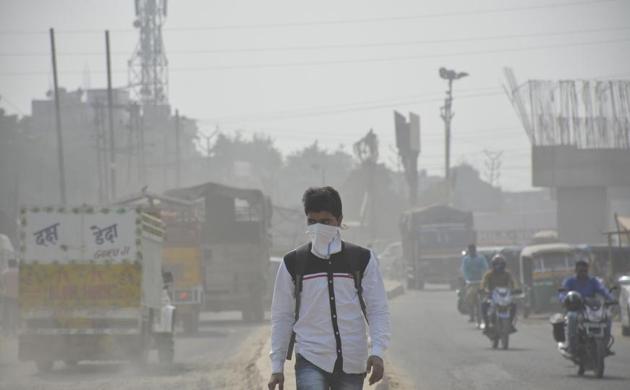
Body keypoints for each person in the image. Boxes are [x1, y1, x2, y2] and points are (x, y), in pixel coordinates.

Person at [268, 186, 391, 390]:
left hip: (352, 360)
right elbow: (282, 316)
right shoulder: (293, 263)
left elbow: (377, 309)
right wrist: (276, 367)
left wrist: (377, 352)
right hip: (310, 358)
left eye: (325, 222)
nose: (318, 228)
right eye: (312, 221)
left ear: (339, 220)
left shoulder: (362, 259)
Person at [558, 259, 615, 356]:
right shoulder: (569, 281)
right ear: (576, 271)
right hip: (575, 308)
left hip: (590, 309)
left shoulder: (593, 281)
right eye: (580, 271)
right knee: (572, 317)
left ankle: (604, 346)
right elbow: (563, 293)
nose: (583, 273)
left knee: (607, 316)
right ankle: (572, 347)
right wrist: (564, 299)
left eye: (585, 271)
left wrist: (611, 298)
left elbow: (602, 290)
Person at [480, 255, 518, 333]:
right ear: (493, 265)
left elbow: (513, 282)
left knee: (513, 305)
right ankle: (487, 325)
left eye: (501, 264)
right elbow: (483, 283)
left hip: (504, 295)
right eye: (497, 264)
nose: (499, 266)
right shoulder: (489, 274)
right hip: (491, 295)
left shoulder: (507, 274)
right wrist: (483, 289)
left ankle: (510, 324)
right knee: (484, 305)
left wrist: (516, 289)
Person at [460, 244, 488, 322]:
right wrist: (465, 279)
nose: (472, 252)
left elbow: (485, 267)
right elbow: (464, 270)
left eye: (473, 250)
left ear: (475, 250)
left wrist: (484, 277)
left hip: (480, 282)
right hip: (470, 282)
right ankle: (471, 316)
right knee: (469, 297)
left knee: (486, 298)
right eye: (470, 250)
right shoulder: (466, 260)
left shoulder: (481, 258)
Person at [1, 258, 19, 335]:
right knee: (16, 312)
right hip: (18, 295)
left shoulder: (4, 273)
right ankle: (14, 328)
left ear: (8, 264)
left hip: (7, 295)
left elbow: (2, 285)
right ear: (16, 264)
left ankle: (6, 329)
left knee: (6, 312)